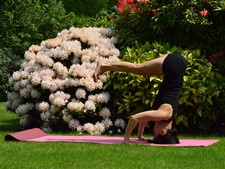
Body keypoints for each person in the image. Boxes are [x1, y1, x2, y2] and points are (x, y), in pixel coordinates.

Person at [93, 53, 187, 144]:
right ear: (162, 132)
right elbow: (134, 118)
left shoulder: (165, 116)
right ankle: (104, 66)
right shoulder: (164, 113)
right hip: (174, 66)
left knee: (139, 68)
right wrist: (126, 139)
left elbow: (145, 118)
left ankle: (105, 66)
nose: (153, 130)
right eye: (154, 134)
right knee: (138, 68)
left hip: (176, 64)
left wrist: (140, 136)